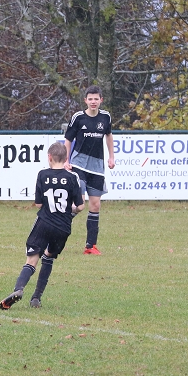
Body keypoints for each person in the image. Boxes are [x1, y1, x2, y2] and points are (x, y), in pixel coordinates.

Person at [0, 141, 83, 310]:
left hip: (44, 223)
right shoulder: (73, 177)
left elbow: (38, 204)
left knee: (31, 260)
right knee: (49, 257)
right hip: (63, 227)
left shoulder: (42, 175)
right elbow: (80, 206)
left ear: (49, 157)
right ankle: (36, 298)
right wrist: (70, 210)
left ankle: (18, 289)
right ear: (66, 158)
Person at [64, 84, 114, 255]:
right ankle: (59, 221)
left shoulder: (106, 117)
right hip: (79, 164)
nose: (93, 101)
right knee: (80, 205)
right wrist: (66, 160)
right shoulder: (78, 118)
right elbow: (68, 140)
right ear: (85, 100)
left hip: (97, 167)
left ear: (101, 100)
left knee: (95, 205)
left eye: (96, 99)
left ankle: (90, 246)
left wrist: (111, 157)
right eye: (90, 99)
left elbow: (109, 136)